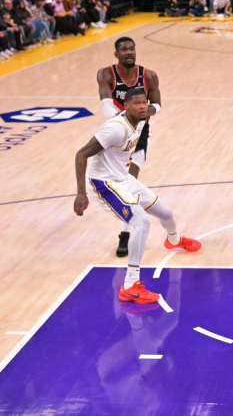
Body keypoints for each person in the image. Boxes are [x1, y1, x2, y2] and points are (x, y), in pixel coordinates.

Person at [73, 87, 201, 304]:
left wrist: (154, 101)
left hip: (123, 178)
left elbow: (155, 105)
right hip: (103, 183)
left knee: (166, 213)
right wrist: (80, 194)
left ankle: (174, 240)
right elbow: (81, 154)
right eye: (137, 104)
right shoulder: (115, 128)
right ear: (126, 106)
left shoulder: (143, 116)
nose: (142, 107)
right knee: (141, 222)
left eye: (144, 103)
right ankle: (130, 285)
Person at [97, 37, 162, 257]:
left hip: (141, 133)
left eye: (131, 49)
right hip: (117, 131)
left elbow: (157, 105)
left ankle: (125, 233)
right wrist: (126, 120)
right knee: (116, 179)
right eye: (124, 50)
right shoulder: (106, 74)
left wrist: (144, 113)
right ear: (116, 54)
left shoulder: (149, 76)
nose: (129, 52)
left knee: (131, 181)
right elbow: (106, 105)